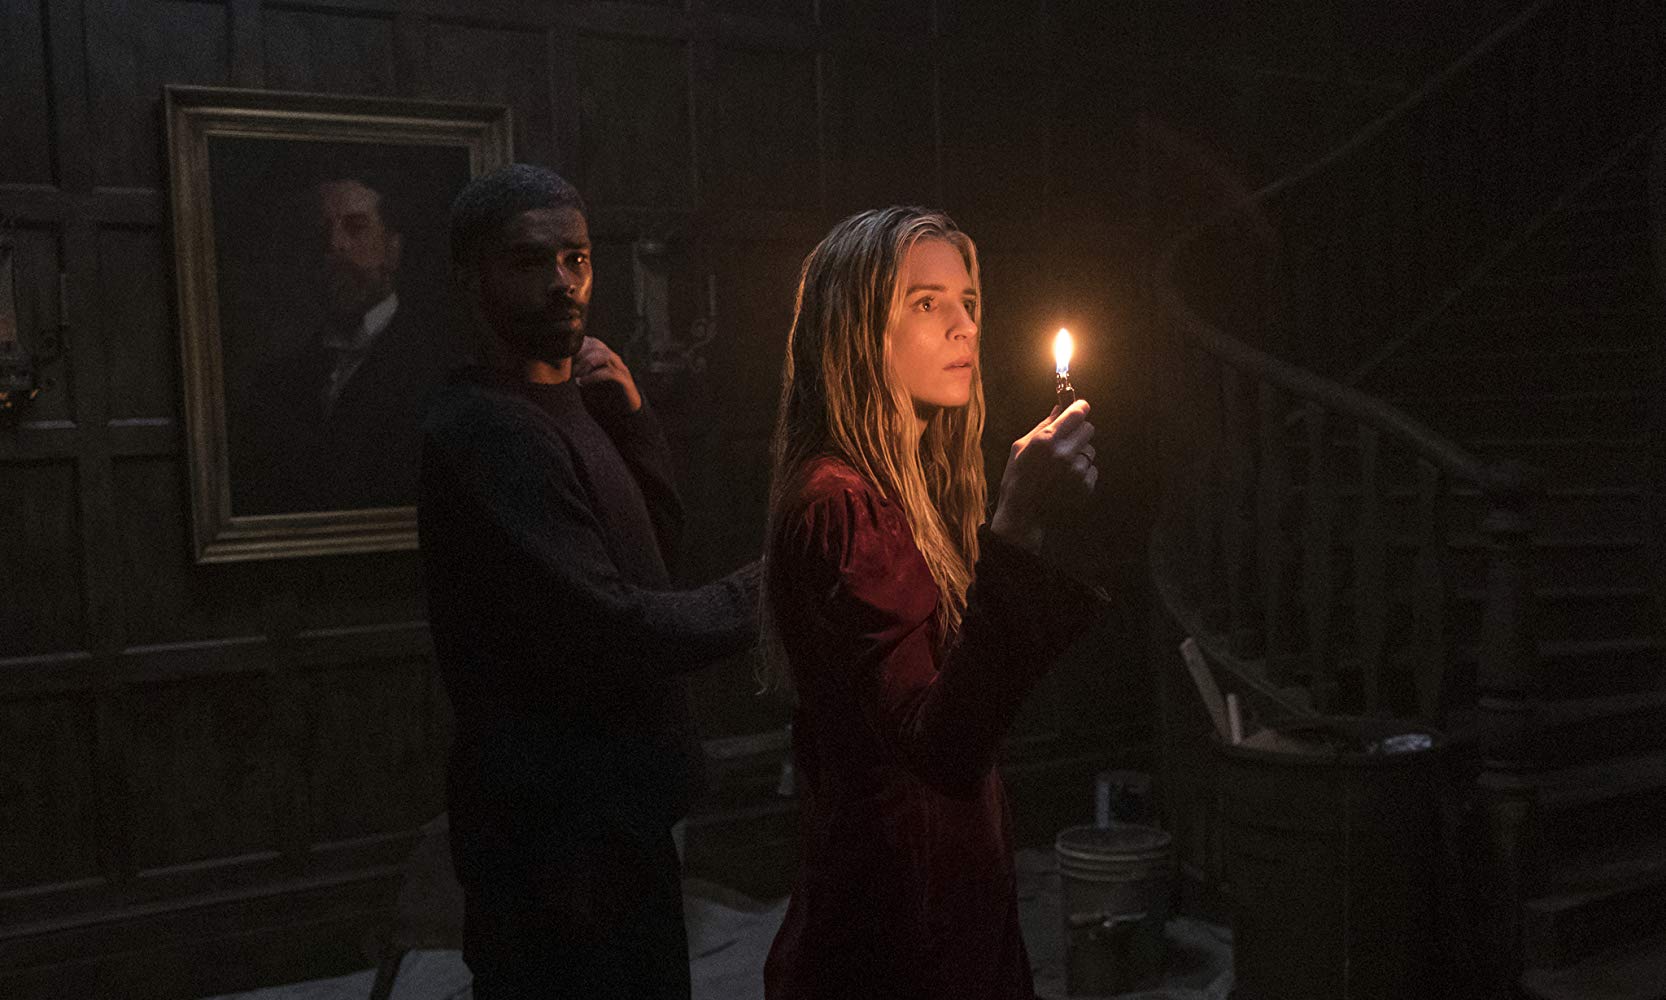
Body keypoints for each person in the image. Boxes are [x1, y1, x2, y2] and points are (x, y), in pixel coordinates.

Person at [417, 164, 761, 999]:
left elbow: (651, 556)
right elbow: (612, 625)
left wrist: (633, 419)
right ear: (471, 278)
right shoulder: (490, 429)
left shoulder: (569, 400)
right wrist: (768, 589)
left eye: (575, 258)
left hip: (616, 817)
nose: (562, 282)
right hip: (552, 835)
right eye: (529, 261)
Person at [760, 207, 1106, 1000]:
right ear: (857, 332)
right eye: (926, 302)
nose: (964, 327)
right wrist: (1016, 528)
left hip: (941, 897)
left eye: (969, 302)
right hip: (896, 924)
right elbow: (942, 745)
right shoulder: (842, 504)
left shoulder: (912, 491)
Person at [230, 175, 458, 514]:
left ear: (392, 250)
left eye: (356, 228)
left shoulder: (440, 367)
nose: (335, 245)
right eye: (322, 231)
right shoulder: (275, 383)